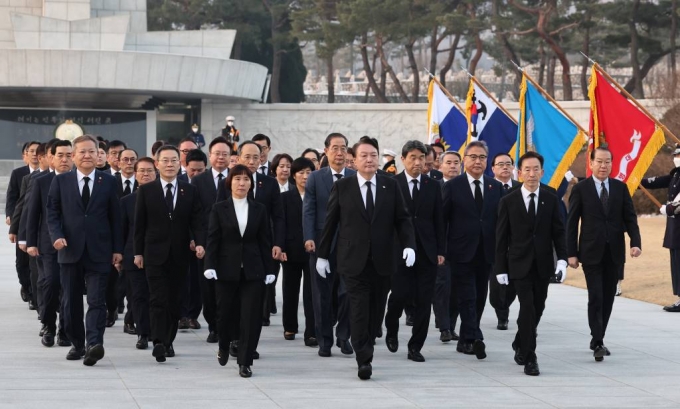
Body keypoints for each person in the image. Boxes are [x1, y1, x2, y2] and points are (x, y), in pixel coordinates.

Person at [316, 136, 415, 380]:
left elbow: (402, 219)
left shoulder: (390, 185)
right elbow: (331, 223)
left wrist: (409, 245)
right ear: (354, 160)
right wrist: (322, 255)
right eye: (364, 156)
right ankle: (364, 358)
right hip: (352, 260)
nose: (369, 160)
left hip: (383, 260)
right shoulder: (343, 187)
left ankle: (368, 340)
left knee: (375, 311)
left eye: (373, 155)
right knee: (359, 308)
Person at [46, 134, 123, 366]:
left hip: (100, 250)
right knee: (70, 302)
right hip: (69, 250)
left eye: (92, 151)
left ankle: (94, 343)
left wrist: (117, 249)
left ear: (98, 154)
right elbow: (52, 213)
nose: (87, 155)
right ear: (73, 155)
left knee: (97, 300)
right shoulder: (60, 181)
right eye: (82, 152)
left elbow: (116, 218)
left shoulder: (108, 181)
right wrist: (57, 236)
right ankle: (77, 344)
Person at [495, 151, 568, 376]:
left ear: (542, 172)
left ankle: (520, 341)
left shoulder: (551, 197)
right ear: (519, 172)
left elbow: (558, 231)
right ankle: (530, 357)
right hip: (518, 264)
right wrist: (500, 268)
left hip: (543, 265)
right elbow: (501, 237)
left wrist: (563, 260)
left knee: (538, 308)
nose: (531, 173)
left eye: (536, 169)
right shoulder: (508, 201)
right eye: (527, 169)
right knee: (527, 308)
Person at [567, 146, 641, 362]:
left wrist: (635, 243)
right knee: (596, 296)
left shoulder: (620, 188)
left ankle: (598, 336)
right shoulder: (581, 189)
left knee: (608, 297)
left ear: (612, 164)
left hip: (615, 252)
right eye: (599, 161)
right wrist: (571, 253)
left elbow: (630, 218)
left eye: (607, 161)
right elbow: (572, 223)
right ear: (591, 163)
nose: (603, 165)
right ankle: (597, 341)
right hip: (590, 252)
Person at [203, 165, 276, 378]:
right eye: (237, 179)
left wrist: (269, 269)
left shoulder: (259, 209)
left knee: (251, 317)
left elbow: (265, 241)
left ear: (251, 184)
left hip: (253, 270)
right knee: (224, 313)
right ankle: (224, 344)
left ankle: (245, 361)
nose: (241, 183)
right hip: (226, 269)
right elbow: (213, 239)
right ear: (230, 182)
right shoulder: (219, 208)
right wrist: (209, 265)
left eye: (246, 179)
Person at [134, 145, 205, 362]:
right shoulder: (146, 191)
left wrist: (200, 242)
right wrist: (138, 253)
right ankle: (157, 341)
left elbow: (197, 221)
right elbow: (139, 225)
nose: (170, 164)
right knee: (157, 299)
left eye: (174, 160)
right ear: (157, 164)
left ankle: (168, 341)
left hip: (180, 254)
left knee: (175, 301)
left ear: (179, 163)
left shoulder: (189, 190)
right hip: (154, 253)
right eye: (165, 160)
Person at [442, 140, 504, 360]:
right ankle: (475, 337)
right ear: (464, 160)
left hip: (486, 251)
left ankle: (465, 339)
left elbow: (501, 222)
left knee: (479, 297)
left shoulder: (495, 187)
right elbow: (443, 220)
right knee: (466, 295)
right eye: (473, 157)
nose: (478, 161)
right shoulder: (452, 186)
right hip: (460, 251)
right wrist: (442, 249)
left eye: (482, 158)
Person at [384, 140, 445, 362]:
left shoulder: (433, 185)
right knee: (399, 295)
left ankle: (415, 346)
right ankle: (391, 330)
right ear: (403, 159)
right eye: (413, 158)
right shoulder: (391, 183)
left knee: (423, 300)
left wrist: (440, 250)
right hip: (399, 251)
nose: (418, 162)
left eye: (421, 158)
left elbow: (439, 220)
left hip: (427, 251)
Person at [303, 133, 354, 358]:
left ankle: (344, 336)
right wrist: (309, 237)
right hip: (322, 243)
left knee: (348, 293)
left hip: (351, 245)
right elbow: (309, 209)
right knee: (321, 295)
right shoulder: (315, 177)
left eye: (343, 148)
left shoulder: (355, 176)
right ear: (326, 150)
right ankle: (324, 340)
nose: (340, 153)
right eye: (335, 148)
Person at [26, 139, 74, 348]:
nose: (64, 159)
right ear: (51, 157)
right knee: (51, 283)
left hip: (74, 243)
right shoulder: (41, 182)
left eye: (68, 155)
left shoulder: (78, 181)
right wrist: (30, 241)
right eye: (60, 155)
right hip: (47, 244)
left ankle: (64, 330)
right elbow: (32, 213)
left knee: (68, 287)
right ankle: (48, 324)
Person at [191, 137, 231, 343]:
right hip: (206, 243)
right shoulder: (199, 180)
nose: (221, 157)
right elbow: (195, 214)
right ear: (210, 156)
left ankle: (228, 327)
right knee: (207, 288)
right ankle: (213, 326)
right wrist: (197, 241)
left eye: (225, 154)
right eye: (217, 153)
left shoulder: (237, 177)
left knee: (228, 287)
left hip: (232, 243)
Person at [119, 157, 156, 350]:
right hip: (133, 256)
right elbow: (122, 231)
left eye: (149, 170)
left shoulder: (164, 198)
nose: (145, 174)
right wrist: (119, 255)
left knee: (157, 296)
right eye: (141, 171)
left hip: (159, 255)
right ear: (135, 175)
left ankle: (158, 331)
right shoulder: (126, 201)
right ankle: (143, 333)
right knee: (138, 296)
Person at [280, 158, 316, 345]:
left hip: (312, 251)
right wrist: (282, 247)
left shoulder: (317, 196)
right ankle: (290, 326)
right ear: (294, 175)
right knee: (290, 290)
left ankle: (311, 331)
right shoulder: (285, 198)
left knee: (311, 293)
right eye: (301, 172)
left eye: (309, 172)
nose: (305, 176)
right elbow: (281, 224)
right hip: (291, 251)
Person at [640, 144, 680, 311]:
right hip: (674, 227)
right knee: (676, 264)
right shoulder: (676, 175)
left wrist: (669, 208)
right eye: (675, 155)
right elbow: (656, 182)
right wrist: (636, 180)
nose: (676, 158)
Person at [433, 150, 462, 343]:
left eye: (456, 163)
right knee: (442, 288)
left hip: (462, 247)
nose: (452, 166)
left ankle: (451, 325)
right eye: (449, 162)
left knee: (457, 290)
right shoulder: (433, 187)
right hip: (441, 248)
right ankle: (444, 327)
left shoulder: (464, 187)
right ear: (440, 166)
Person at [6, 141, 40, 305]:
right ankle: (26, 286)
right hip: (22, 222)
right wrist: (10, 216)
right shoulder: (19, 174)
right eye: (31, 151)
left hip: (39, 224)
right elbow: (13, 197)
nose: (34, 154)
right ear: (25, 155)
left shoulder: (47, 175)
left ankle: (35, 294)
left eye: (37, 151)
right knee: (22, 260)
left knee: (35, 261)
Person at [489, 153, 520, 331]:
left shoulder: (519, 188)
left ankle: (505, 306)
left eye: (508, 164)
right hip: (494, 243)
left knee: (513, 284)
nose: (505, 167)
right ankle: (501, 312)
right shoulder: (488, 187)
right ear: (493, 168)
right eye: (500, 164)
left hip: (516, 243)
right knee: (496, 283)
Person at [110, 148, 139, 331]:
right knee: (113, 282)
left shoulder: (144, 184)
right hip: (114, 238)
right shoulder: (109, 183)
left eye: (132, 160)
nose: (129, 163)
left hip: (134, 242)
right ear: (118, 162)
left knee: (132, 285)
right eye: (125, 159)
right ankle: (112, 308)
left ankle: (130, 316)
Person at [180, 149, 208, 330]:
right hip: (181, 237)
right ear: (185, 167)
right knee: (182, 279)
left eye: (200, 170)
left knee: (198, 280)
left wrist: (198, 240)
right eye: (193, 170)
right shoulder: (179, 182)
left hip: (201, 239)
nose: (196, 174)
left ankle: (193, 315)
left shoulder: (208, 185)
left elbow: (201, 216)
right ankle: (181, 314)